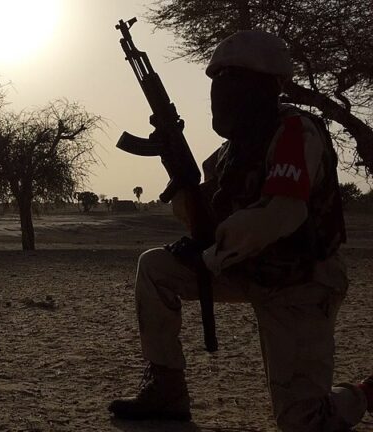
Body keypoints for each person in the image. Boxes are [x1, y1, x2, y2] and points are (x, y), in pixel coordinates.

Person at [108, 30, 372, 431]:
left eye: (233, 79)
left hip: (302, 282)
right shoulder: (232, 151)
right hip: (249, 268)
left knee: (303, 422)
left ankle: (366, 393)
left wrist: (212, 256)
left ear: (265, 86)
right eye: (217, 79)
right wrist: (176, 170)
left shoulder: (295, 133)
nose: (221, 91)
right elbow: (201, 218)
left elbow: (282, 213)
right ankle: (166, 389)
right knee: (156, 269)